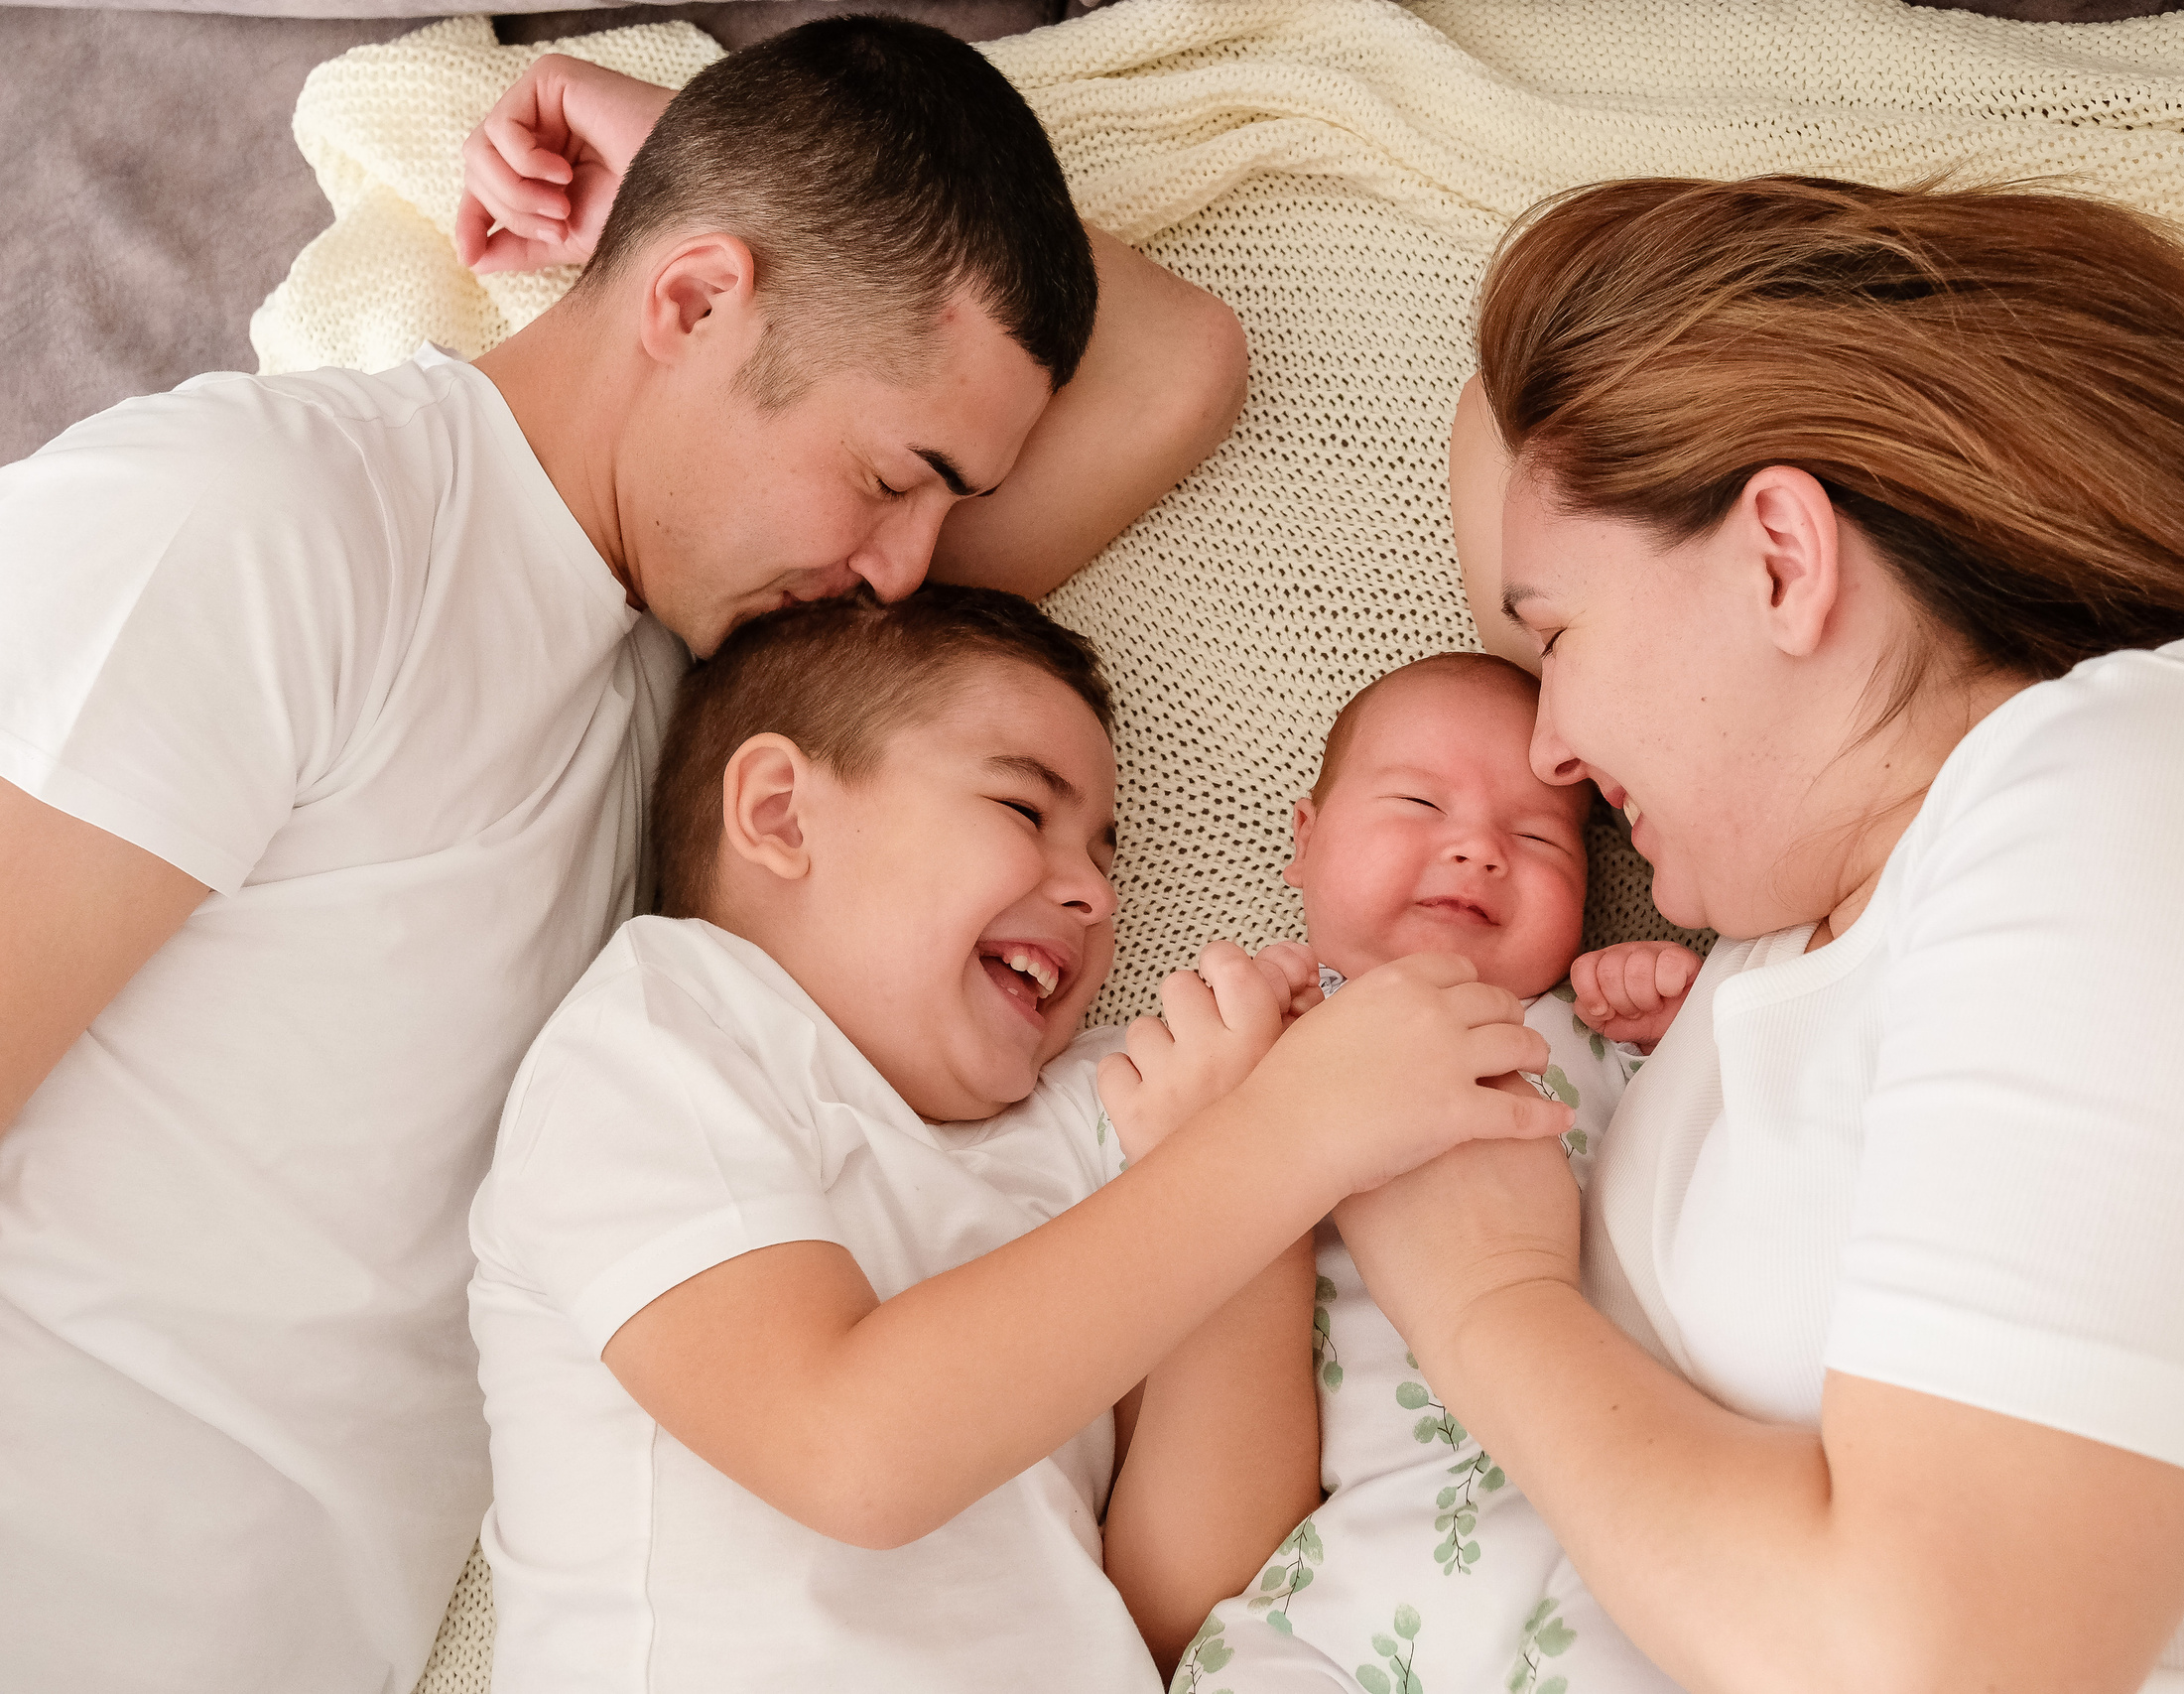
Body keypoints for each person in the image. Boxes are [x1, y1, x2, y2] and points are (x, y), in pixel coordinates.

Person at [0, 18, 1244, 1693]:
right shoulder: (263, 528)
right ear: (686, 306)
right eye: (893, 476)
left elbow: (1178, 364)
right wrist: (720, 206)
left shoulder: (729, 714)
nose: (909, 570)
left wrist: (687, 157)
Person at [1364, 176, 2184, 1694]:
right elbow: (1512, 434)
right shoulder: (1787, 944)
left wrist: (1483, 1298)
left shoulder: (2168, 792)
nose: (1551, 749)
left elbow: (1930, 1660)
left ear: (1782, 557)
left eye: (1555, 637)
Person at [475, 585, 1332, 1690]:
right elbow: (849, 1454)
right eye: (1024, 811)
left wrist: (1262, 1186)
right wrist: (1269, 1149)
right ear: (782, 814)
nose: (1092, 896)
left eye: (1107, 860)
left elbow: (1188, 1609)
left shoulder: (1109, 1110)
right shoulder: (663, 1035)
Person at [1180, 651, 1698, 1694]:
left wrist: (1673, 1027)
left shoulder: (1588, 1042)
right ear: (1304, 841)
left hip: (1615, 1516)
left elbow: (1729, 1154)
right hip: (1358, 1566)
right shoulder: (1243, 1060)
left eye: (1539, 837)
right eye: (1419, 801)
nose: (1475, 849)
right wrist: (1223, 1093)